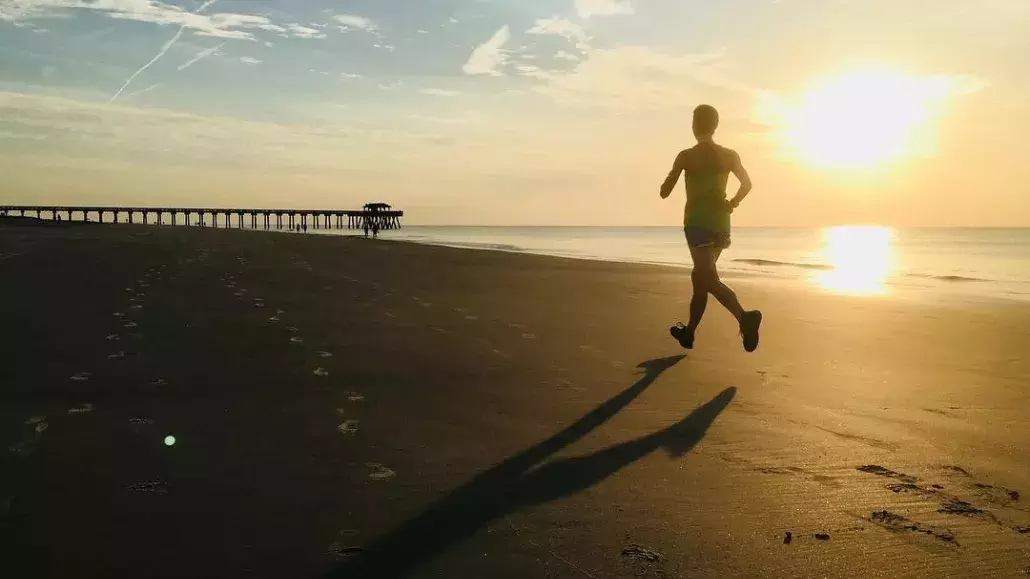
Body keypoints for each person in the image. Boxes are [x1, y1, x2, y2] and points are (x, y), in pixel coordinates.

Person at [659, 104, 762, 352]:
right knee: (700, 278)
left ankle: (744, 317)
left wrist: (675, 175)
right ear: (715, 126)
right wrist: (731, 204)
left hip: (697, 224)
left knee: (706, 278)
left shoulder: (686, 156)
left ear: (694, 126)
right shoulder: (729, 155)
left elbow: (664, 192)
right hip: (720, 224)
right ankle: (689, 334)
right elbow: (747, 184)